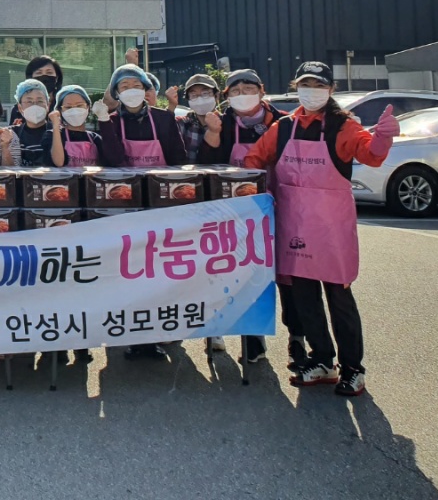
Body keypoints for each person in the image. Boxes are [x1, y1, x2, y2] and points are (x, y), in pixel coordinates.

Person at [244, 61, 397, 397]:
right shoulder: (284, 128)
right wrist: (256, 190)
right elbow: (254, 159)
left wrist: (383, 137)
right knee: (304, 296)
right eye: (305, 84)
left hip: (331, 230)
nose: (311, 91)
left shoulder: (344, 127)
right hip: (293, 225)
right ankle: (322, 360)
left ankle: (353, 368)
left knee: (339, 297)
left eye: (318, 85)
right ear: (296, 87)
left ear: (330, 90)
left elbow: (371, 156)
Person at [192, 69, 287, 362]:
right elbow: (207, 166)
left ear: (261, 90)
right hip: (228, 210)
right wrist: (213, 133)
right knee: (222, 270)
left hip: (272, 207)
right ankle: (216, 329)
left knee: (260, 274)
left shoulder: (282, 122)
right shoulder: (222, 122)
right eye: (235, 91)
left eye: (248, 89)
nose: (242, 95)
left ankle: (255, 339)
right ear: (227, 96)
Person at [100, 63, 187, 168]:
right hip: (126, 178)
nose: (131, 90)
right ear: (117, 93)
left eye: (137, 86)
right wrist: (104, 121)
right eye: (124, 87)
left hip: (161, 177)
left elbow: (178, 158)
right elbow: (113, 159)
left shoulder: (164, 118)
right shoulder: (112, 121)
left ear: (144, 89)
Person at [169, 72, 221, 162]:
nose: (199, 99)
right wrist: (171, 105)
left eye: (205, 93)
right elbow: (165, 128)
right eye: (193, 95)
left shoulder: (226, 122)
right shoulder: (183, 124)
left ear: (216, 96)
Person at [50, 85, 105, 167]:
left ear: (88, 107)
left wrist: (104, 118)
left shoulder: (95, 139)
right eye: (68, 107)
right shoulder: (55, 136)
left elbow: (110, 161)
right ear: (60, 111)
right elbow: (59, 162)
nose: (74, 111)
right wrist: (55, 126)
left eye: (79, 106)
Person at [11, 79, 54, 167]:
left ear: (48, 106)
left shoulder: (57, 132)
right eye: (29, 101)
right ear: (20, 107)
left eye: (40, 101)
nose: (34, 105)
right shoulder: (12, 134)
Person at [9, 55, 63, 123]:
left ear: (57, 77)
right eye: (39, 73)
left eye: (49, 72)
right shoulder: (19, 109)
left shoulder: (64, 104)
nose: (44, 76)